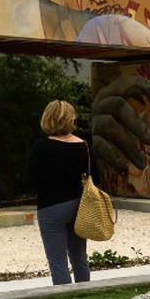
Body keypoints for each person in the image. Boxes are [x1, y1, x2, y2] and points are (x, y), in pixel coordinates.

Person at [26, 100, 92, 285]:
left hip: (51, 206)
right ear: (71, 119)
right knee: (79, 256)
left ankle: (64, 296)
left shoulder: (40, 147)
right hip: (79, 205)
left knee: (57, 260)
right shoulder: (83, 145)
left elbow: (31, 179)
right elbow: (96, 176)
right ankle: (85, 291)